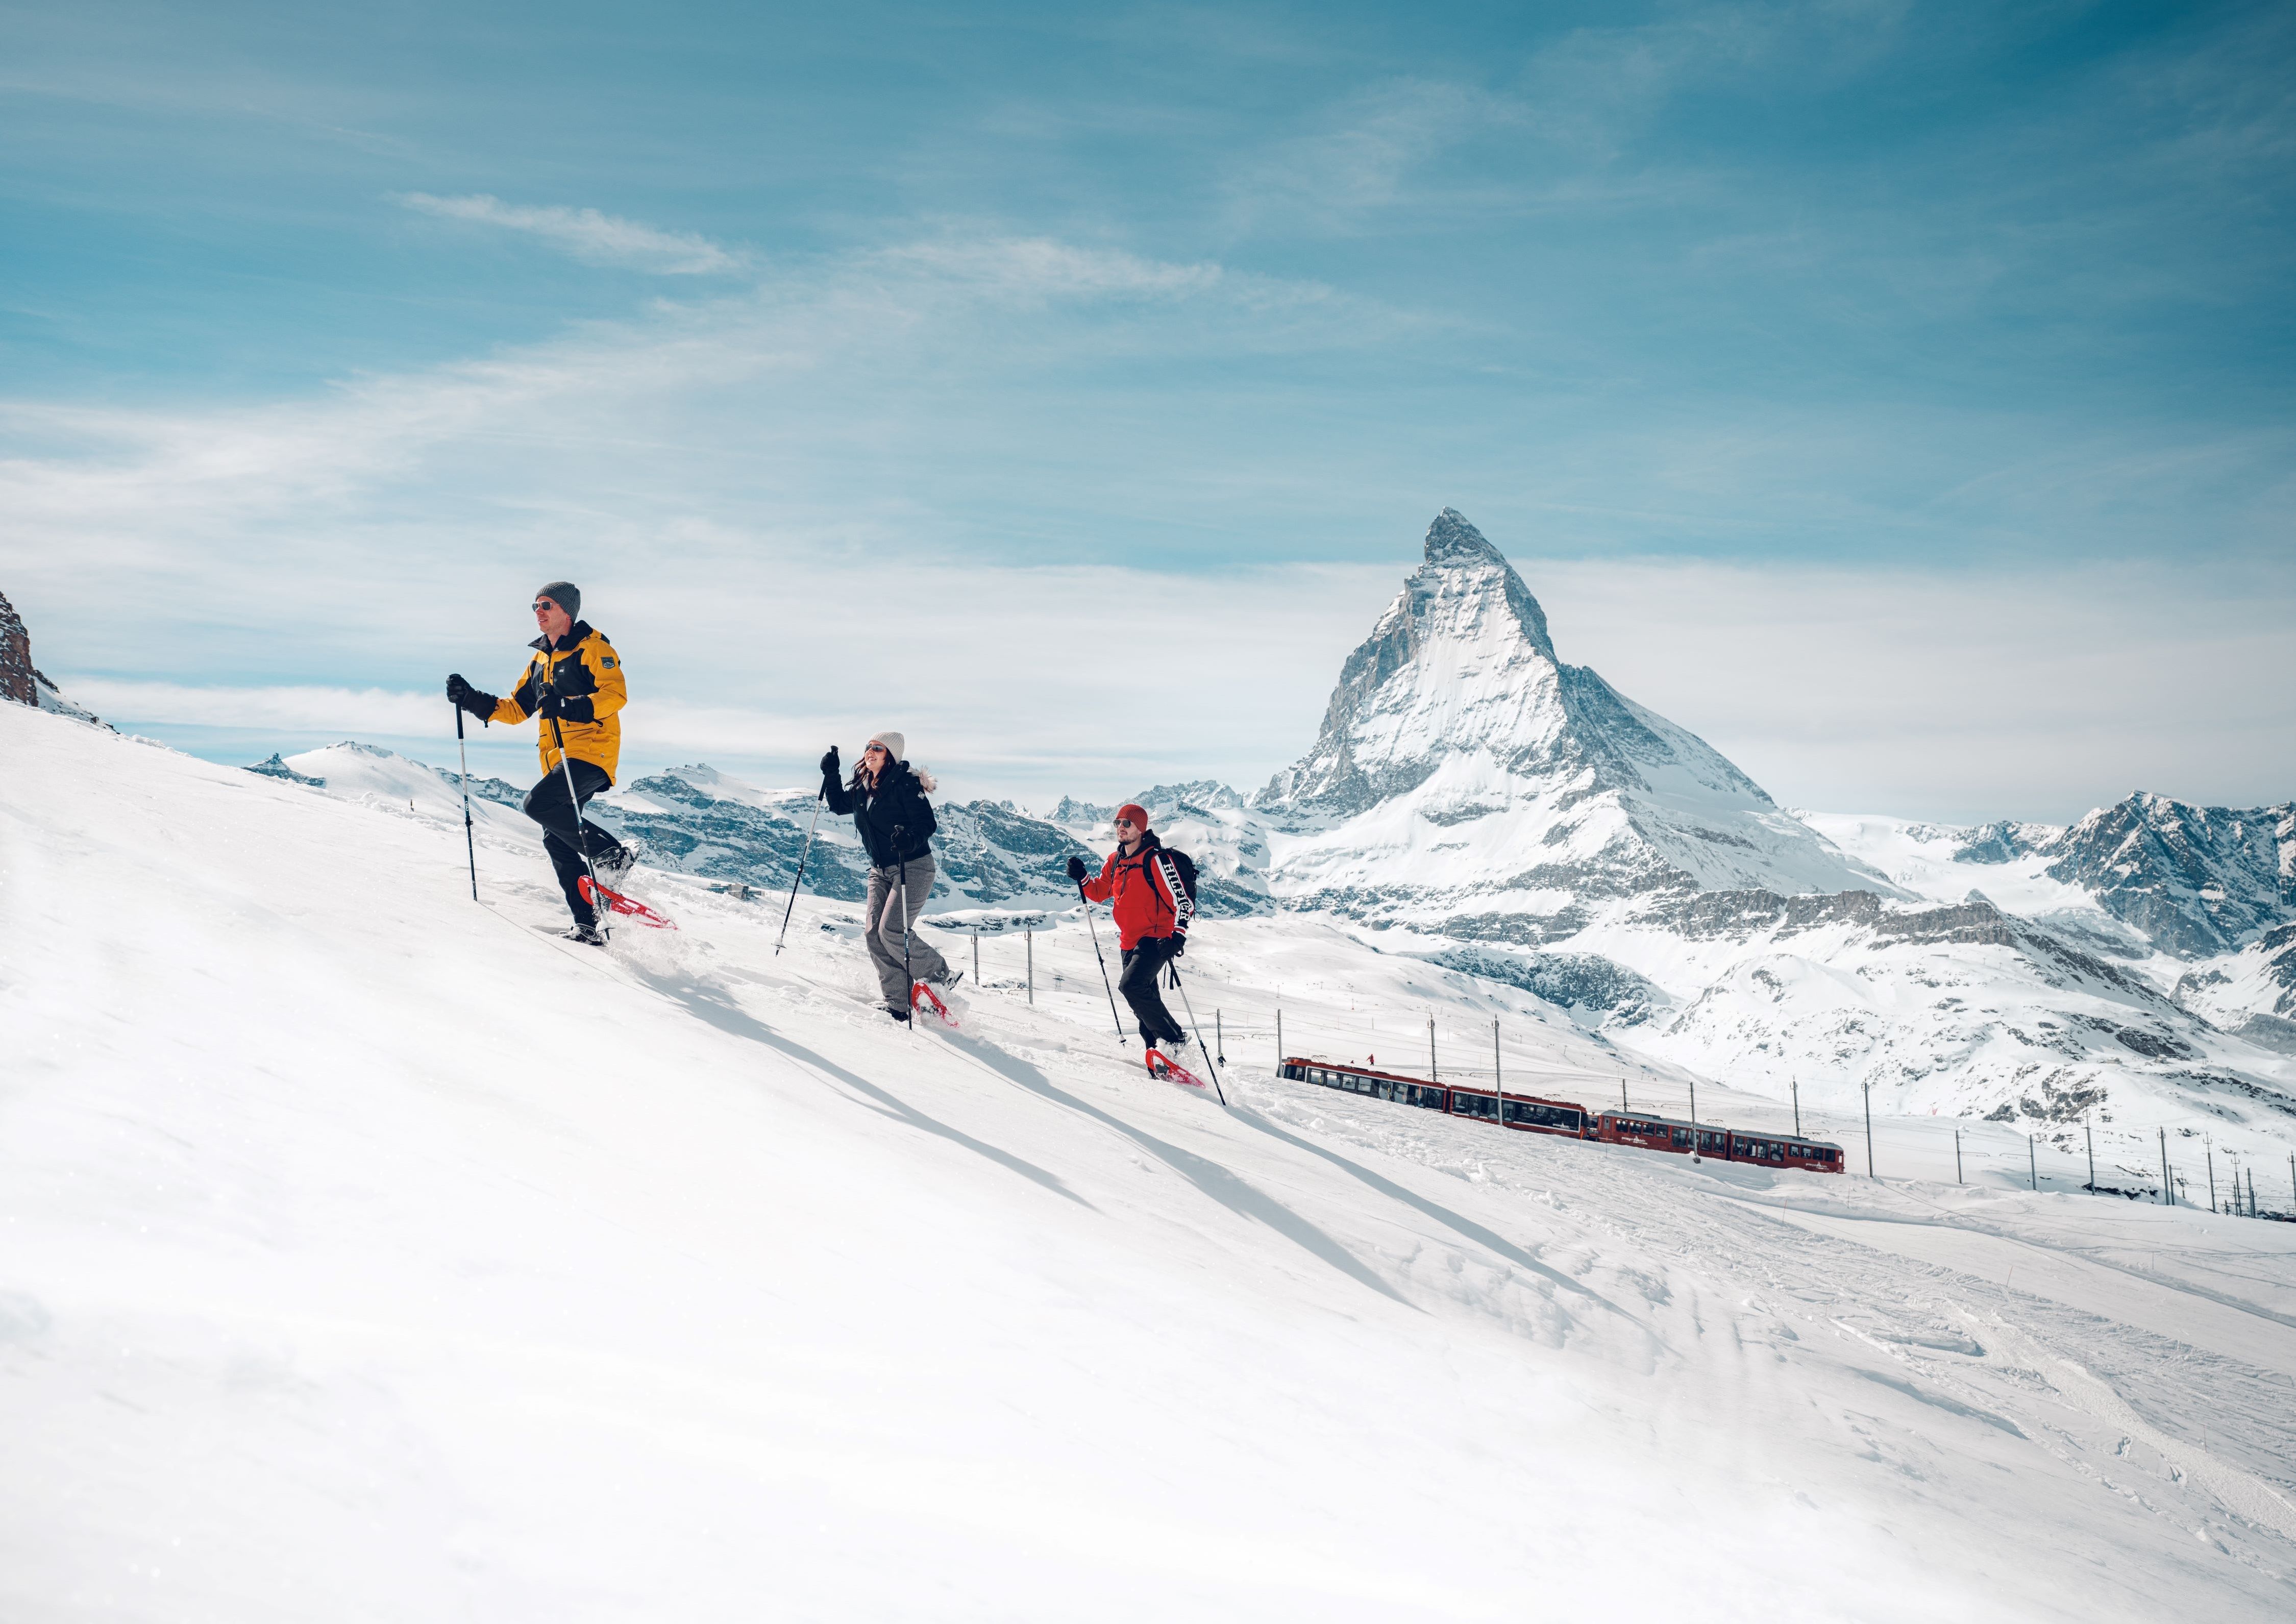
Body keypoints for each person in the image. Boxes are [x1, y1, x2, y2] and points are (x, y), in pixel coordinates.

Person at [446, 582, 635, 945]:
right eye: (534, 606)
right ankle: (589, 923)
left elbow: (615, 695)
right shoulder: (541, 661)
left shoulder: (593, 649)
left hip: (591, 753)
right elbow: (517, 710)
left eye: (546, 605)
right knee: (557, 839)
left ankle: (613, 856)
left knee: (539, 805)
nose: (538, 611)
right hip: (557, 758)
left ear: (567, 610)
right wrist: (470, 699)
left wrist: (568, 707)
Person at [820, 730, 954, 1021]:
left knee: (891, 930)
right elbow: (838, 805)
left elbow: (926, 823)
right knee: (872, 934)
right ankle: (898, 1003)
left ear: (890, 755)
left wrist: (910, 839)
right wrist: (832, 773)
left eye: (878, 748)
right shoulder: (862, 786)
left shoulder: (905, 784)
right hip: (879, 871)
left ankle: (940, 975)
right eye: (868, 747)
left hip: (913, 866)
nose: (870, 752)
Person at [1067, 802, 1194, 1052]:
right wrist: (1082, 877)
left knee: (1131, 986)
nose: (1121, 828)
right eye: (1117, 823)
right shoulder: (1115, 861)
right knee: (1143, 1005)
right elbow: (1099, 892)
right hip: (1129, 941)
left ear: (1141, 828)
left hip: (1156, 939)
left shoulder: (1157, 860)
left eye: (1127, 823)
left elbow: (1182, 900)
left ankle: (1176, 1041)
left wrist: (1177, 936)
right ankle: (1158, 1055)